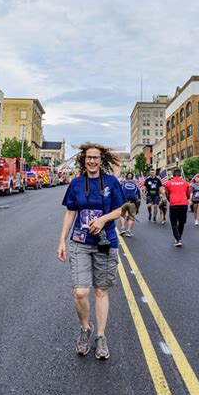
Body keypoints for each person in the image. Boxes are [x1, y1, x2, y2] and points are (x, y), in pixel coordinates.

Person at [57, 143, 124, 360]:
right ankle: (86, 328)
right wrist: (62, 241)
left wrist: (103, 219)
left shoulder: (112, 182)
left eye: (95, 158)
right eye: (88, 158)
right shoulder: (76, 184)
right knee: (80, 292)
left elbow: (122, 209)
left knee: (101, 291)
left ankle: (101, 336)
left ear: (101, 160)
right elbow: (70, 213)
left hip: (106, 243)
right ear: (83, 160)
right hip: (80, 242)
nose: (92, 161)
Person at [164, 168, 190, 247]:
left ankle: (177, 239)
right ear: (180, 174)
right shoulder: (185, 183)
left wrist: (170, 200)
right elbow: (188, 194)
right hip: (183, 204)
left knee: (174, 222)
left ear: (173, 174)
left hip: (174, 204)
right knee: (182, 222)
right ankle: (179, 237)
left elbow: (166, 194)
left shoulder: (168, 183)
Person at [119, 171, 141, 237]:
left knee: (122, 215)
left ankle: (123, 228)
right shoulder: (135, 184)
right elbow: (138, 193)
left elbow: (119, 191)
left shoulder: (123, 183)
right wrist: (138, 205)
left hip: (124, 202)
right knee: (131, 217)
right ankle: (128, 231)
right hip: (132, 202)